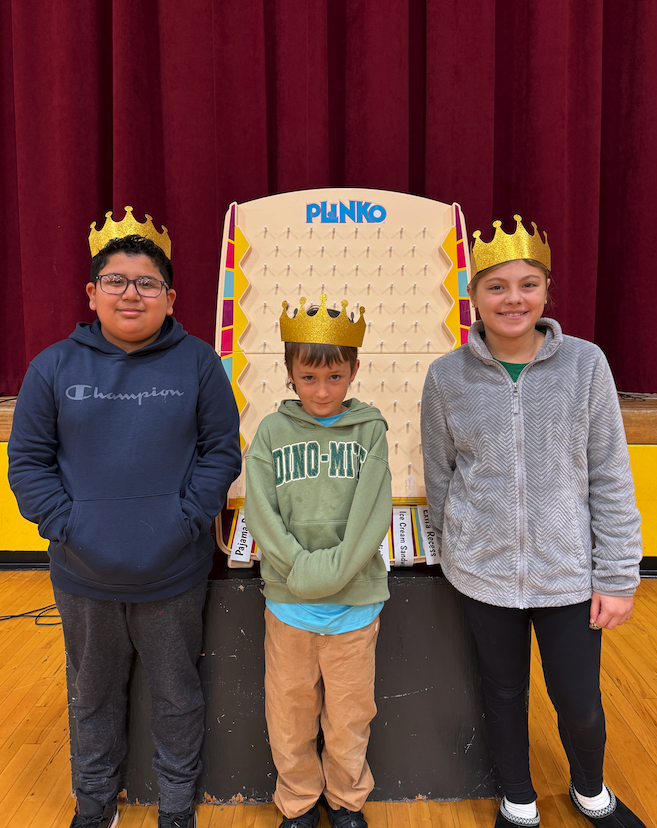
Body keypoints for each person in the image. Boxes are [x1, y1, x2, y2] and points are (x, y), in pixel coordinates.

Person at [8, 211, 242, 828]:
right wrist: (68, 525)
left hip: (174, 571)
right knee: (92, 699)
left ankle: (174, 806)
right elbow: (28, 462)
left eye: (146, 282)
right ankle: (94, 807)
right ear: (91, 294)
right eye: (116, 281)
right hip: (84, 576)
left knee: (176, 696)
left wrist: (187, 520)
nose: (131, 293)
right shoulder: (52, 367)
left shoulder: (197, 363)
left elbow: (221, 450)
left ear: (170, 297)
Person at [420, 215, 646, 828]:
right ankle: (517, 798)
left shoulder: (586, 366)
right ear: (473, 296)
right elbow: (440, 476)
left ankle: (590, 789)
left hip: (567, 575)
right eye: (496, 286)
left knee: (579, 700)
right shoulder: (446, 378)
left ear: (546, 290)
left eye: (527, 284)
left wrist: (619, 575)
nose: (512, 299)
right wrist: (453, 551)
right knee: (501, 694)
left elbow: (610, 475)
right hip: (484, 575)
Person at [244, 294, 392, 828]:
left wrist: (326, 575)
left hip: (355, 606)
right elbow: (262, 514)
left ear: (353, 370)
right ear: (289, 373)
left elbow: (371, 516)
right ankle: (300, 803)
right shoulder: (270, 434)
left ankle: (347, 802)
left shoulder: (370, 431)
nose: (322, 391)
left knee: (351, 718)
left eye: (334, 377)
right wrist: (301, 572)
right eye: (308, 378)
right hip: (288, 607)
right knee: (289, 718)